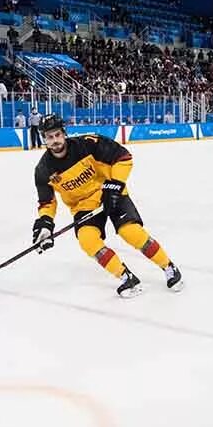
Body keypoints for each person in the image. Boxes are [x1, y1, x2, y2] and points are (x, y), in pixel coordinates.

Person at [32, 114, 183, 297]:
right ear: (44, 140)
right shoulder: (43, 169)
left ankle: (169, 267)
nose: (55, 140)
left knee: (131, 232)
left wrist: (114, 186)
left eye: (57, 134)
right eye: (49, 137)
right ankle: (126, 277)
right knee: (87, 240)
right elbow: (47, 202)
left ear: (64, 133)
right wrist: (45, 226)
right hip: (84, 207)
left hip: (110, 192)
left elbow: (124, 157)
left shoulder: (88, 144)